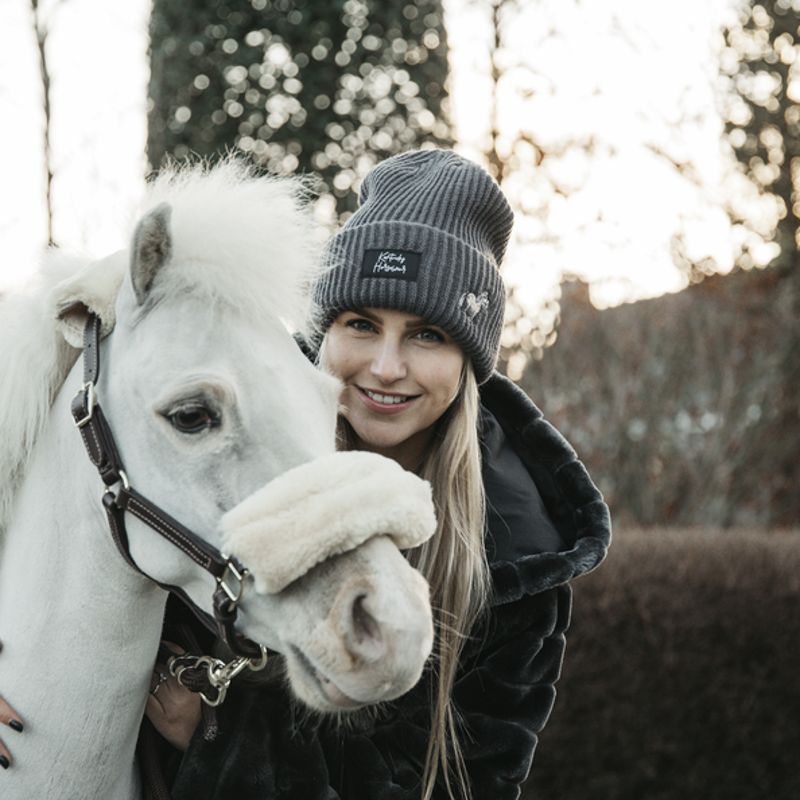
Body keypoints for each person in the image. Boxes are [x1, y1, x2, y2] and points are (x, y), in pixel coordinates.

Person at [0, 149, 611, 799]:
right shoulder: (244, 417)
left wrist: (222, 739)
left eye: (428, 334)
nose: (384, 365)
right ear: (324, 330)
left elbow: (468, 787)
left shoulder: (518, 555)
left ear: (469, 359)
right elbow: (70, 481)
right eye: (360, 324)